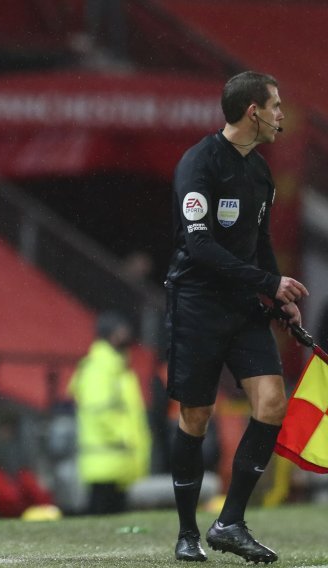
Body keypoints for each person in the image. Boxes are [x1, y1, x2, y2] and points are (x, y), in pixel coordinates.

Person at [165, 71, 308, 563]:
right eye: (276, 106)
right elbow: (199, 246)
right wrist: (268, 281)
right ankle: (187, 533)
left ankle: (229, 522)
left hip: (244, 308)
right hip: (197, 305)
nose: (281, 114)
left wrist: (277, 294)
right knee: (196, 415)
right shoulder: (199, 164)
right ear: (253, 111)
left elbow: (260, 242)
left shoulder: (261, 172)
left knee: (272, 403)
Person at [67, 312, 151, 515]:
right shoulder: (100, 368)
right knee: (102, 515)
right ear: (111, 335)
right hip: (106, 458)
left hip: (117, 460)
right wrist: (125, 437)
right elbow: (99, 411)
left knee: (114, 518)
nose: (127, 336)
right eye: (122, 332)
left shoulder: (116, 368)